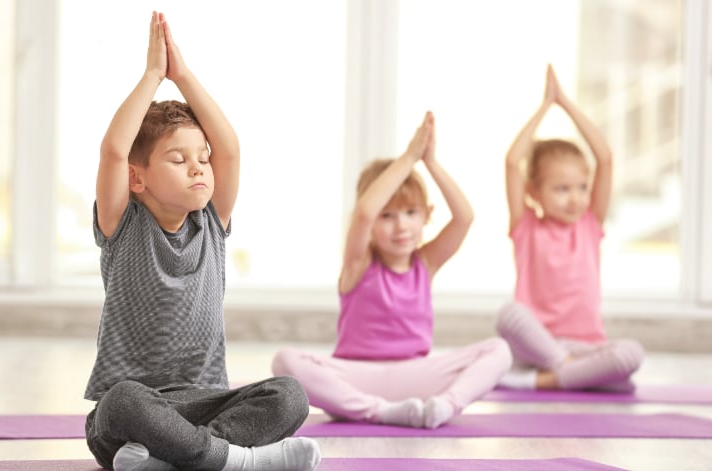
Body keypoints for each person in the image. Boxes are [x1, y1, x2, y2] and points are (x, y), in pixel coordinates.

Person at [83, 12, 320, 471]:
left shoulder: (212, 222)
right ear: (137, 178)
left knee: (290, 396)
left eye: (202, 159)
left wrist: (185, 76)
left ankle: (182, 459)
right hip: (134, 415)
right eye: (178, 158)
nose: (198, 168)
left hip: (207, 404)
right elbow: (114, 149)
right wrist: (154, 75)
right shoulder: (123, 225)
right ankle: (237, 461)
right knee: (123, 401)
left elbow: (229, 148)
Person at [272, 112, 512, 429]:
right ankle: (379, 411)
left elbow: (464, 217)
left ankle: (444, 406)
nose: (401, 226)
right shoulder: (358, 264)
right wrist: (409, 156)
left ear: (426, 215)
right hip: (356, 378)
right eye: (387, 216)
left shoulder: (426, 263)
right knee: (284, 361)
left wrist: (431, 163)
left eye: (410, 213)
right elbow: (364, 212)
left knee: (500, 351)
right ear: (372, 224)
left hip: (416, 376)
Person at [495, 64, 644, 392]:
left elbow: (604, 157)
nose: (575, 199)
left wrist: (566, 103)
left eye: (580, 187)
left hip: (584, 345)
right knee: (508, 315)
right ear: (533, 192)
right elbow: (511, 161)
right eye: (561, 189)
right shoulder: (526, 227)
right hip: (537, 345)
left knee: (631, 354)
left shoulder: (590, 224)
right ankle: (574, 375)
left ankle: (544, 380)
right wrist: (545, 107)